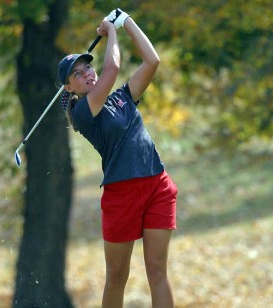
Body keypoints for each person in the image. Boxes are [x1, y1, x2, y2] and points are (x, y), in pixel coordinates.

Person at [57, 8, 177, 308]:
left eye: (88, 68)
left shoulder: (123, 97)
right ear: (69, 87)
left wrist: (125, 22)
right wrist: (110, 33)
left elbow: (152, 61)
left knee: (157, 271)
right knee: (117, 276)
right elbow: (111, 69)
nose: (88, 74)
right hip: (121, 194)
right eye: (78, 73)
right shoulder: (83, 112)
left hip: (157, 185)